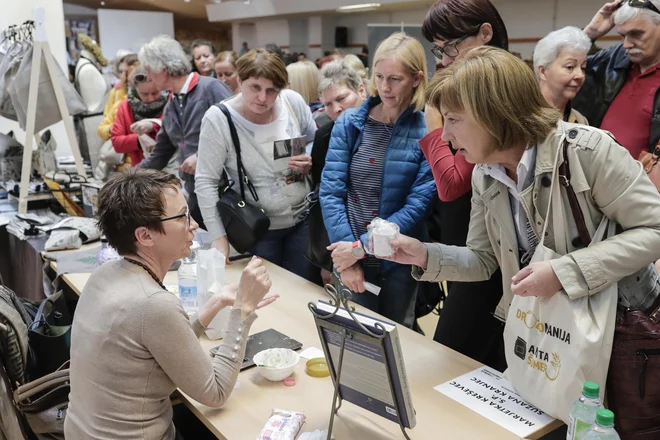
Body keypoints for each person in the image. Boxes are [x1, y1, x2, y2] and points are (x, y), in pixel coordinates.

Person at [382, 46, 660, 358]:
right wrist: (425, 255)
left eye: (453, 120)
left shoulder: (587, 151)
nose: (445, 135)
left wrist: (563, 273)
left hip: (620, 331)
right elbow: (484, 259)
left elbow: (655, 228)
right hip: (548, 334)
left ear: (494, 113)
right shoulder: (485, 173)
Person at [65, 168, 278, 440]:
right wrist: (243, 309)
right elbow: (216, 392)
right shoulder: (152, 304)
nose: (194, 226)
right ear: (145, 236)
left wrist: (217, 303)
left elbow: (158, 340)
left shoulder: (104, 274)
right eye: (182, 217)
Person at [320, 32, 435, 326]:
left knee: (398, 336)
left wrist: (361, 247)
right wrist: (349, 259)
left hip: (400, 259)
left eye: (395, 79)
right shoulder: (351, 122)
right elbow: (331, 192)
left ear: (417, 78)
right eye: (379, 76)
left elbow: (417, 204)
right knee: (354, 337)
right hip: (349, 254)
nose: (385, 87)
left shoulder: (428, 129)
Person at [419, 0, 509, 369]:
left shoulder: (494, 94)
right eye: (438, 50)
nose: (443, 59)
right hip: (472, 243)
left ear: (485, 34)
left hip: (493, 251)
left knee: (451, 361)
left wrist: (437, 123)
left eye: (450, 46)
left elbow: (452, 183)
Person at [195, 49, 319, 283]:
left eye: (272, 90)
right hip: (258, 229)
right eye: (255, 87)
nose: (263, 98)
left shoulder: (292, 102)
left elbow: (313, 138)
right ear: (240, 81)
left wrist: (309, 157)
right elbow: (206, 181)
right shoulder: (219, 118)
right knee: (265, 298)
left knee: (302, 293)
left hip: (303, 221)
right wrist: (218, 237)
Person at [138, 35, 232, 229]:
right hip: (196, 194)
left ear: (163, 69)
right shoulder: (171, 104)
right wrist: (126, 178)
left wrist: (201, 156)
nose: (148, 77)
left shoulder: (211, 88)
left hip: (226, 194)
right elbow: (159, 155)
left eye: (149, 70)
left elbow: (237, 132)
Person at [574, 0, 660, 161]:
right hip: (594, 176)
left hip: (644, 183)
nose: (627, 44)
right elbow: (554, 67)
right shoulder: (613, 59)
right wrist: (589, 33)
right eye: (623, 35)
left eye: (636, 34)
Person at [308, 60, 367, 285]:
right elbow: (325, 198)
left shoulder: (384, 127)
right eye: (328, 104)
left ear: (361, 90)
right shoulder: (324, 136)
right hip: (342, 240)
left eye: (341, 99)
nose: (336, 109)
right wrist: (328, 260)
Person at [111, 66, 169, 167]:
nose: (151, 98)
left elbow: (180, 128)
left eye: (155, 93)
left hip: (171, 165)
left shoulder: (171, 100)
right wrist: (139, 139)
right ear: (135, 89)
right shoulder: (124, 106)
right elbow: (117, 143)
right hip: (141, 168)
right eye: (144, 94)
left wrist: (154, 124)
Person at [533, 27, 591, 124]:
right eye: (570, 67)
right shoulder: (522, 117)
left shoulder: (581, 121)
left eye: (583, 68)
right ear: (543, 71)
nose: (580, 75)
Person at [98, 54, 139, 141]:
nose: (123, 77)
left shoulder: (148, 93)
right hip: (121, 147)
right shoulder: (115, 92)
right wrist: (112, 128)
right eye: (121, 72)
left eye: (127, 72)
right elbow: (102, 127)